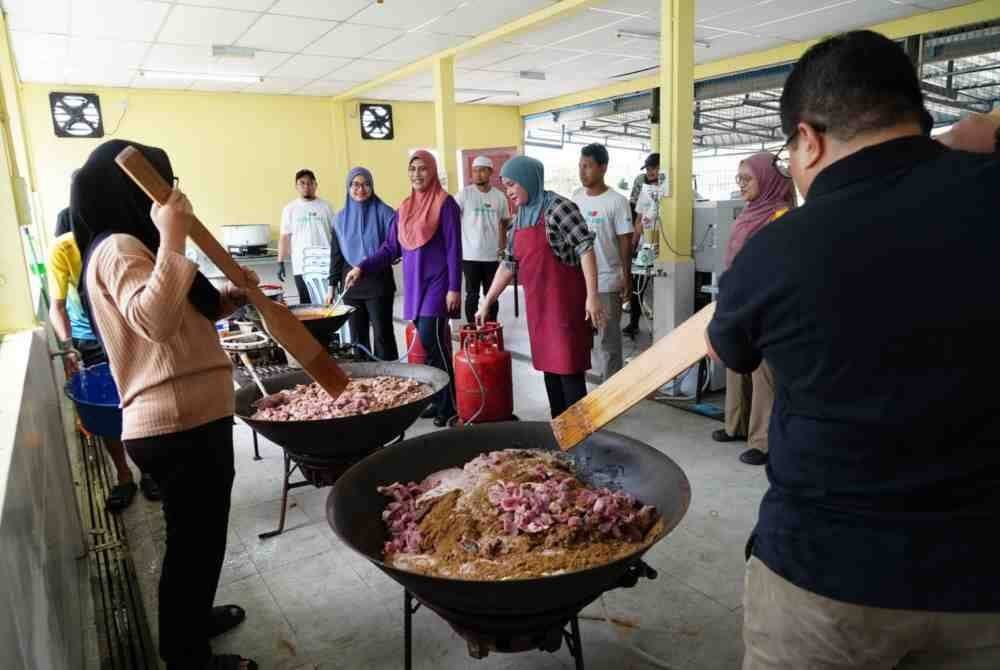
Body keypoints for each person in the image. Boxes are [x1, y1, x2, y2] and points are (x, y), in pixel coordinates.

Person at [705, 31, 1000, 669]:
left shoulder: (779, 249)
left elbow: (731, 351)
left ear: (808, 138)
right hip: (984, 577)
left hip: (827, 580)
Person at [73, 139, 258, 670]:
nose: (171, 194)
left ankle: (192, 621)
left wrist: (234, 298)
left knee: (198, 541)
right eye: (160, 185)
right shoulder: (118, 249)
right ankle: (185, 655)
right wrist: (174, 233)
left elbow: (181, 317)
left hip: (192, 416)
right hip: (176, 423)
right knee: (192, 545)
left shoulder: (139, 246)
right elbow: (151, 320)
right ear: (126, 191)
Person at [475, 155, 605, 418]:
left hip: (564, 310)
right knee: (550, 372)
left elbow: (586, 248)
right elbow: (509, 264)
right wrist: (487, 300)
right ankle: (559, 433)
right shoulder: (521, 217)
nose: (509, 191)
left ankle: (583, 440)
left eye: (512, 184)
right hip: (540, 311)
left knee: (569, 373)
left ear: (527, 180)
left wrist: (592, 296)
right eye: (505, 186)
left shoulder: (559, 208)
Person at [49, 207, 161, 509]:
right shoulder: (63, 248)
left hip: (127, 329)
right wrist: (69, 346)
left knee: (139, 401)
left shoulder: (120, 238)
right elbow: (57, 307)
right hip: (90, 337)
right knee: (109, 409)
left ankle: (148, 471)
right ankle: (124, 476)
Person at [345, 151, 462, 427]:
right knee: (427, 343)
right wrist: (362, 267)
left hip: (438, 282)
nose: (417, 174)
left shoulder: (446, 205)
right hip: (415, 284)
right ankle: (439, 399)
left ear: (432, 171)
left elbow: (454, 248)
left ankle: (451, 404)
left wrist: (454, 287)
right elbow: (390, 248)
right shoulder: (405, 208)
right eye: (412, 169)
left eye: (423, 168)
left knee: (433, 339)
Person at [710, 152, 794, 467]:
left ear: (768, 180)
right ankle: (735, 424)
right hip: (739, 301)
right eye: (738, 178)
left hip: (765, 306)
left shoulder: (780, 215)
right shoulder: (749, 212)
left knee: (763, 375)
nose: (741, 184)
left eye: (747, 178)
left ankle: (763, 441)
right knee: (736, 364)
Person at [572, 143, 633, 381]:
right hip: (580, 281)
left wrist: (626, 278)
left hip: (607, 282)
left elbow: (625, 243)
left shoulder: (617, 201)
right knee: (581, 338)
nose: (582, 171)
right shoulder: (576, 198)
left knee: (608, 341)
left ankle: (612, 390)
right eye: (580, 166)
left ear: (603, 167)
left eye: (587, 166)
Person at [328, 167, 399, 361]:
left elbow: (392, 248)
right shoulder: (339, 220)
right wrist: (331, 286)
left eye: (366, 184)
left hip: (378, 282)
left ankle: (390, 379)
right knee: (357, 337)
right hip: (351, 284)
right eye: (356, 185)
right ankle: (364, 382)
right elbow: (336, 255)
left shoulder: (386, 213)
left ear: (372, 186)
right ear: (348, 187)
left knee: (382, 334)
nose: (361, 189)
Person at [457, 155, 511, 324]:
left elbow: (504, 222)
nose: (477, 174)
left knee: (492, 294)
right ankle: (473, 329)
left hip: (492, 256)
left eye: (481, 170)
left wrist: (502, 248)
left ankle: (491, 328)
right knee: (471, 294)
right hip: (470, 256)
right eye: (474, 170)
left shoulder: (499, 197)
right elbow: (450, 219)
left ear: (490, 172)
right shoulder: (464, 195)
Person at [278, 169, 334, 304]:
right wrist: (280, 261)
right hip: (301, 265)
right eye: (302, 183)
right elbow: (284, 237)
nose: (306, 186)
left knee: (328, 302)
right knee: (306, 303)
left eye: (310, 183)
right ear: (296, 186)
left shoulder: (326, 207)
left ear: (315, 185)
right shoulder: (289, 209)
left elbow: (336, 234)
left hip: (325, 264)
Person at [624, 152, 663, 338]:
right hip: (645, 245)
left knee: (661, 287)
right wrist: (633, 244)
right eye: (648, 168)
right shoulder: (645, 190)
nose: (650, 172)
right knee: (638, 284)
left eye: (654, 168)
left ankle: (663, 325)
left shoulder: (671, 191)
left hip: (665, 247)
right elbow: (638, 219)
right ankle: (633, 322)